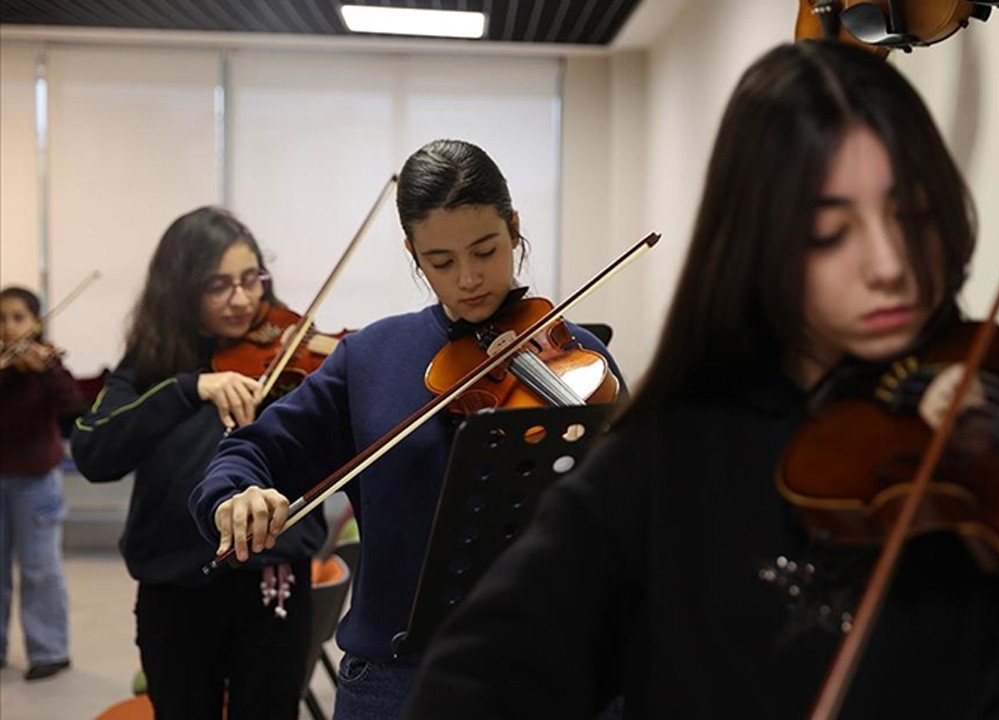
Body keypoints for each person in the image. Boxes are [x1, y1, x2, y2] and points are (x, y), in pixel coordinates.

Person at [395, 41, 999, 720]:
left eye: (914, 214)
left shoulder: (995, 433)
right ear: (759, 245)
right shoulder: (665, 461)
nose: (891, 265)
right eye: (831, 233)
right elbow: (475, 689)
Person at [189, 138, 625, 719]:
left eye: (486, 250)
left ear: (515, 228)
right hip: (399, 674)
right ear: (413, 254)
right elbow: (253, 450)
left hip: (555, 658)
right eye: (441, 262)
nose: (469, 279)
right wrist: (234, 494)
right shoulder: (371, 359)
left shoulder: (580, 361)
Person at [71, 207, 323, 720]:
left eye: (252, 278)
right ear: (181, 290)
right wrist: (188, 388)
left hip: (274, 587)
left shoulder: (288, 355)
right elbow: (94, 452)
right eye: (219, 285)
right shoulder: (152, 366)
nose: (243, 299)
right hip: (175, 594)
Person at [0, 286, 82, 681]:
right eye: (1, 319)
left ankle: (50, 651)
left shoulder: (46, 363)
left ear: (36, 322)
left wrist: (45, 371)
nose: (9, 327)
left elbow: (73, 404)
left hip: (36, 481)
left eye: (19, 318)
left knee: (39, 569)